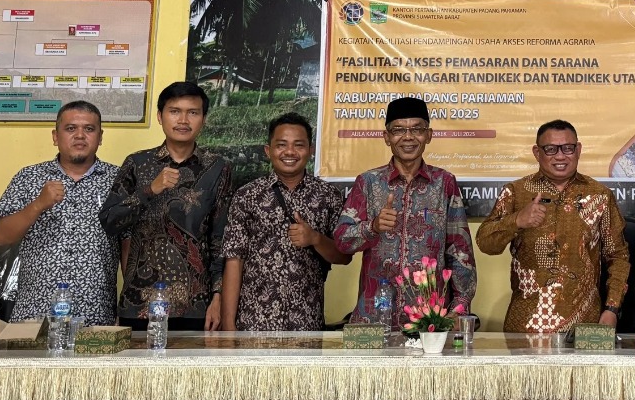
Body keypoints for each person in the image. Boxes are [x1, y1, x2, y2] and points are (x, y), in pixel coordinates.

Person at [99, 81, 233, 331]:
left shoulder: (217, 167)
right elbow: (109, 221)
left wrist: (218, 297)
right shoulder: (137, 163)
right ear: (160, 116)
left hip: (195, 305)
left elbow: (220, 237)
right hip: (140, 303)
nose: (183, 120)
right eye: (175, 111)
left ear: (203, 119)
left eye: (192, 112)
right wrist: (150, 190)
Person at [334, 96, 476, 323]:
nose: (408, 137)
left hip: (429, 319)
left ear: (428, 135)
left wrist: (459, 309)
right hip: (374, 316)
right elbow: (342, 241)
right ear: (386, 137)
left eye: (417, 129)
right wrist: (372, 227)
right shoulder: (368, 182)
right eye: (398, 130)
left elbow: (460, 251)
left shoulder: (444, 182)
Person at [477, 119, 629, 332]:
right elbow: (485, 243)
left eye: (568, 148)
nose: (560, 156)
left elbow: (618, 256)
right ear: (537, 153)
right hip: (527, 323)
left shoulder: (600, 195)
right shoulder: (516, 192)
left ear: (578, 150)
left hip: (585, 323)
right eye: (550, 149)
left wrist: (612, 308)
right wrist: (517, 220)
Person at [0, 101, 118, 325]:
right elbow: (0, 236)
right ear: (55, 136)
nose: (80, 135)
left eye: (89, 129)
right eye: (70, 128)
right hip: (34, 315)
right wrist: (38, 204)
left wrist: (126, 311)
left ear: (100, 137)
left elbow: (129, 244)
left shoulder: (118, 180)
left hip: (96, 315)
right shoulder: (29, 177)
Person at [220, 112, 349, 331]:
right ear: (268, 151)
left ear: (311, 150)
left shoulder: (328, 196)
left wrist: (315, 239)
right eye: (281, 145)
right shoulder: (247, 196)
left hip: (306, 324)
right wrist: (228, 326)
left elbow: (344, 256)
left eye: (299, 145)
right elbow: (234, 260)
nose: (289, 152)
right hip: (253, 323)